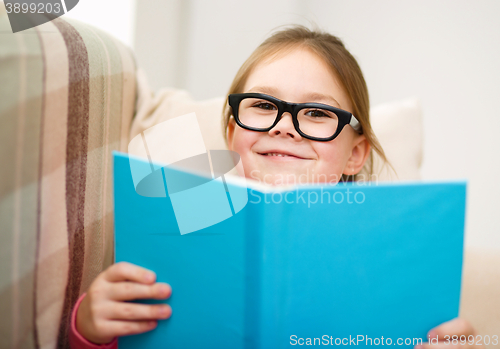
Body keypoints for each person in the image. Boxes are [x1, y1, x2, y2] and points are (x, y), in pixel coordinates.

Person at [70, 25, 477, 349]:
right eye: (264, 106)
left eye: (317, 113)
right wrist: (92, 329)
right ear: (233, 132)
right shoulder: (180, 214)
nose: (284, 126)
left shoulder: (396, 244)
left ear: (356, 154)